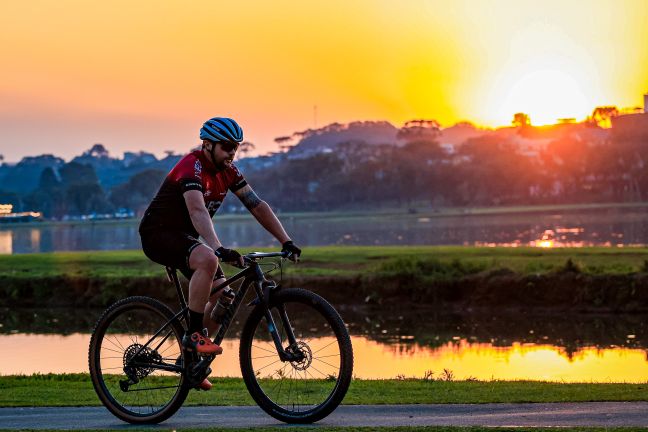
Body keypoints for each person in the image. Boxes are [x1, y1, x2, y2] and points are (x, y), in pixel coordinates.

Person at [138, 117, 301, 390]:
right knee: (208, 259)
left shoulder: (229, 172)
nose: (232, 154)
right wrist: (217, 247)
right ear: (208, 144)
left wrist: (286, 240)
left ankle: (189, 361)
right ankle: (192, 336)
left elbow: (256, 205)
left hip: (185, 238)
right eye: (227, 147)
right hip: (158, 234)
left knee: (225, 299)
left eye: (236, 148)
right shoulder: (191, 167)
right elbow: (197, 211)